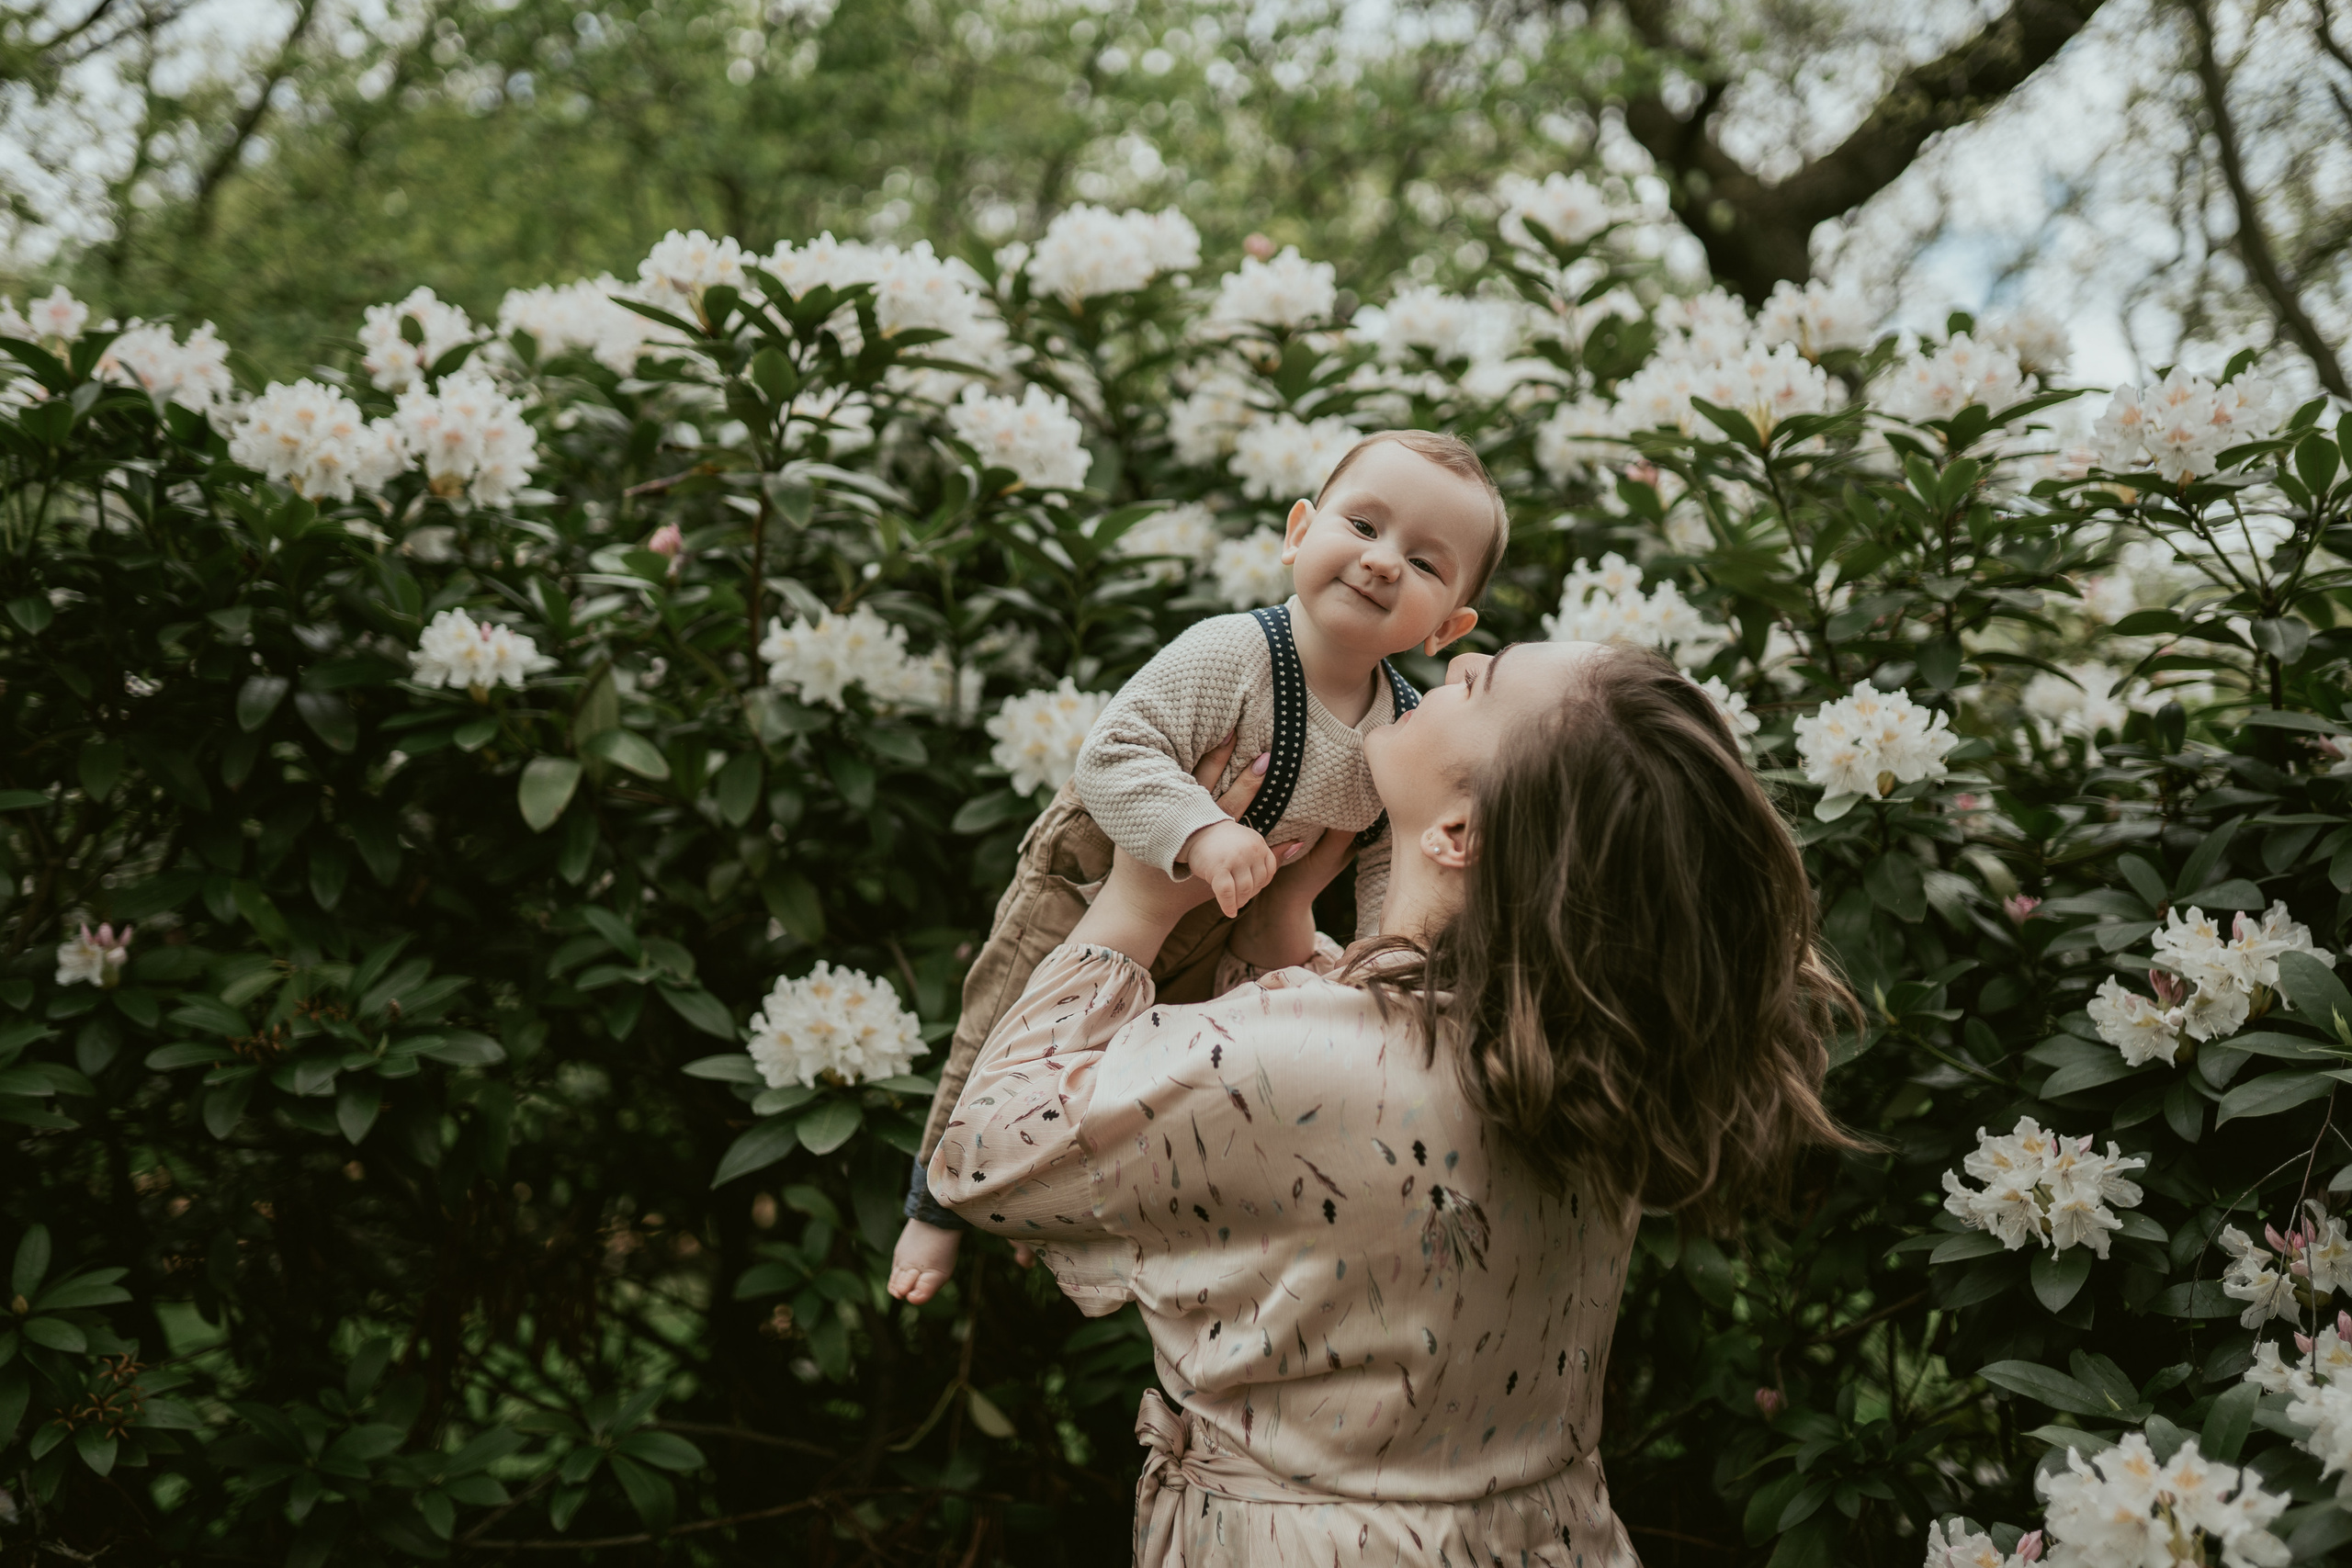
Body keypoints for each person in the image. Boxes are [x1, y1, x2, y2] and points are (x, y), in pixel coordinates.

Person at [910, 637, 1853, 1565]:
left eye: (1478, 685)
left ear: (1458, 833)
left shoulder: (1299, 1058)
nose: (1447, 670)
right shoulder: (1578, 1055)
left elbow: (987, 1158)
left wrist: (1136, 909)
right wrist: (1284, 938)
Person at [893, 431, 1512, 1301]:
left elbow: (1385, 860)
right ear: (1299, 531)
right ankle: (937, 1199)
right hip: (1104, 875)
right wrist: (1196, 830)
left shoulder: (1402, 729)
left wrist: (1388, 962)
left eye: (1422, 562)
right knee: (1011, 1018)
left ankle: (1040, 1198)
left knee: (1135, 1073)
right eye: (1363, 525)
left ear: (1447, 628)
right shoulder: (1236, 654)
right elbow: (1115, 751)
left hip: (1228, 921)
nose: (1380, 562)